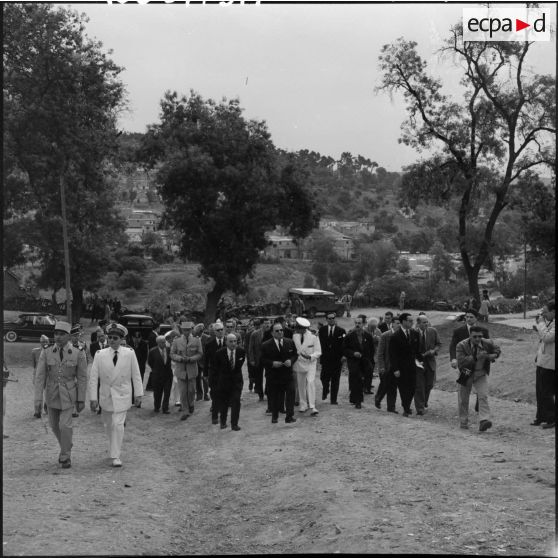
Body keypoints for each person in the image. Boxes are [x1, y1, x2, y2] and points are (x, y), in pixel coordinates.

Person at [34, 321, 87, 469]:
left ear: (69, 336)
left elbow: (82, 378)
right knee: (54, 425)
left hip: (69, 394)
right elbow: (40, 377)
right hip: (51, 394)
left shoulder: (78, 352)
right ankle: (67, 444)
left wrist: (81, 399)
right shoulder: (47, 351)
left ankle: (65, 456)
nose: (57, 337)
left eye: (62, 334)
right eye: (56, 334)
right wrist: (38, 399)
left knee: (65, 425)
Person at [89, 323, 143, 467]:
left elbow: (136, 375)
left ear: (121, 339)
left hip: (122, 394)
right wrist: (93, 398)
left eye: (115, 338)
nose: (112, 340)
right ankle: (113, 446)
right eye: (110, 337)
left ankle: (116, 455)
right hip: (106, 395)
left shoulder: (129, 353)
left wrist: (138, 394)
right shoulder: (100, 355)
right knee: (108, 425)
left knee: (118, 424)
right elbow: (93, 378)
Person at [456, 325, 501, 431]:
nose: (477, 339)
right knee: (463, 399)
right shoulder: (461, 345)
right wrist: (476, 357)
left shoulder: (487, 343)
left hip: (481, 374)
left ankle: (484, 420)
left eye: (480, 336)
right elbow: (461, 362)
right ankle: (463, 422)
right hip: (466, 373)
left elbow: (497, 349)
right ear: (470, 336)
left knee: (483, 396)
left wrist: (493, 355)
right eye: (475, 336)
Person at [449, 309, 489, 414]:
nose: (468, 319)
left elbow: (488, 346)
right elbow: (453, 345)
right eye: (467, 317)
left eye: (471, 317)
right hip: (465, 367)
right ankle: (463, 417)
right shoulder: (458, 331)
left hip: (480, 367)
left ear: (476, 318)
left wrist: (489, 356)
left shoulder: (483, 331)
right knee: (463, 393)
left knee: (482, 392)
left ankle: (480, 408)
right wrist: (453, 358)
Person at [261, 322, 298, 424]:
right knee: (275, 396)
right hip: (274, 376)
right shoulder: (265, 345)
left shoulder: (289, 342)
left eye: (281, 330)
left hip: (287, 374)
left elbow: (295, 355)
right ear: (272, 333)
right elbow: (262, 360)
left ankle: (289, 416)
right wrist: (272, 363)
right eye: (277, 331)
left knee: (291, 393)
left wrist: (291, 361)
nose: (280, 332)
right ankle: (275, 416)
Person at [388, 312, 421, 416]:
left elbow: (417, 350)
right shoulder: (395, 336)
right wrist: (395, 369)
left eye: (412, 321)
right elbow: (392, 354)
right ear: (403, 322)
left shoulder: (415, 333)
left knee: (413, 387)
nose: (412, 323)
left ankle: (406, 404)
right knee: (403, 388)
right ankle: (406, 408)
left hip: (412, 366)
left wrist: (421, 360)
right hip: (401, 367)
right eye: (410, 321)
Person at [170, 322, 203, 421]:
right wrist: (180, 358)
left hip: (192, 370)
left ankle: (191, 403)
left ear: (191, 330)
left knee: (191, 391)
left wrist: (191, 359)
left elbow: (200, 353)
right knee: (183, 392)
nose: (186, 332)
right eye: (184, 330)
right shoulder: (177, 341)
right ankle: (185, 411)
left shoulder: (197, 340)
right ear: (182, 330)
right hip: (181, 370)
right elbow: (172, 354)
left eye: (188, 330)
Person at [213, 334, 245, 431]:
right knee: (224, 403)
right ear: (226, 342)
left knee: (236, 402)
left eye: (235, 341)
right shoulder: (219, 353)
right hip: (223, 382)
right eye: (231, 341)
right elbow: (215, 369)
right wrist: (215, 383)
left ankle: (234, 424)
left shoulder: (241, 351)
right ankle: (223, 421)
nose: (233, 343)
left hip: (236, 382)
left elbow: (239, 366)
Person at [343, 315, 374, 409]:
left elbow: (371, 350)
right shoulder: (349, 336)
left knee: (360, 380)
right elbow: (344, 349)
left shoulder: (368, 336)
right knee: (357, 379)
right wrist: (353, 353)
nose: (357, 325)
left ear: (363, 324)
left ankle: (353, 398)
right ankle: (358, 401)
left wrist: (370, 361)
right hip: (353, 362)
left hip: (364, 362)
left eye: (359, 323)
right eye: (356, 323)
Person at [532, 301, 555, 429]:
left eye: (545, 312)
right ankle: (541, 416)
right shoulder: (550, 322)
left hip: (550, 364)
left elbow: (547, 338)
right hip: (542, 361)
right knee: (540, 391)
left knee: (546, 392)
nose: (543, 315)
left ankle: (551, 418)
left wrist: (541, 324)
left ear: (553, 311)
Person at [293, 317, 322, 416]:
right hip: (299, 363)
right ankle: (303, 404)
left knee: (310, 382)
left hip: (310, 363)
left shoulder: (313, 336)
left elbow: (318, 352)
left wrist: (310, 356)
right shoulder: (294, 336)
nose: (297, 330)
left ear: (304, 328)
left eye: (298, 329)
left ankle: (312, 406)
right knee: (301, 384)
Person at [414, 314, 442, 415]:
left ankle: (424, 401)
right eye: (424, 322)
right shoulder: (413, 333)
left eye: (427, 322)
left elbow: (439, 344)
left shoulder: (433, 331)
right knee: (419, 386)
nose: (426, 324)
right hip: (417, 363)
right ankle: (420, 408)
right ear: (418, 324)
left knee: (429, 385)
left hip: (430, 361)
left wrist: (433, 351)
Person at [318, 312, 346, 405]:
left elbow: (344, 344)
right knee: (323, 377)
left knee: (335, 379)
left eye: (333, 318)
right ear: (326, 319)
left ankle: (333, 399)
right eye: (329, 318)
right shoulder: (322, 330)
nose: (331, 320)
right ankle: (326, 389)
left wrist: (344, 355)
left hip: (337, 359)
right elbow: (319, 343)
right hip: (325, 358)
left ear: (335, 319)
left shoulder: (341, 331)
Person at [375, 316, 401, 413]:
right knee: (385, 385)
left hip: (396, 366)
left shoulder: (402, 335)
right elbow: (380, 353)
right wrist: (381, 366)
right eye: (397, 323)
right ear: (392, 324)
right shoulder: (385, 335)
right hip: (386, 366)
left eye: (400, 323)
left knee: (393, 387)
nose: (399, 325)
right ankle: (378, 398)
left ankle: (391, 407)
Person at [205, 322, 226, 423]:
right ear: (214, 332)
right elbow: (206, 360)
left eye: (222, 329)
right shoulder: (209, 344)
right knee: (214, 393)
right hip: (214, 373)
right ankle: (215, 415)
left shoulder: (229, 342)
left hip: (226, 373)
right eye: (218, 330)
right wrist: (205, 374)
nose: (220, 331)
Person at [147, 335, 173, 414]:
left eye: (165, 342)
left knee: (167, 392)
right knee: (157, 393)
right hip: (157, 375)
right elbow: (150, 362)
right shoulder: (152, 351)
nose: (164, 344)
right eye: (162, 342)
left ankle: (165, 408)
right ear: (158, 343)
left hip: (168, 375)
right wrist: (156, 369)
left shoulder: (169, 350)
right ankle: (157, 407)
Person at [248, 317, 272, 402]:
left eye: (268, 323)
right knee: (258, 377)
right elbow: (251, 347)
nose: (267, 325)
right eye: (265, 323)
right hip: (258, 358)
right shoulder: (255, 334)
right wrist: (251, 359)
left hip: (268, 359)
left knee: (269, 376)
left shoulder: (272, 333)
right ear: (261, 324)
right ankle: (260, 394)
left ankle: (268, 392)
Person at [32, 335, 51, 418]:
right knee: (38, 392)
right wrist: (35, 374)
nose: (44, 343)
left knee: (49, 392)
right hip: (38, 374)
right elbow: (34, 364)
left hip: (49, 374)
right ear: (40, 342)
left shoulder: (52, 351)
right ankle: (37, 410)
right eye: (43, 342)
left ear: (49, 342)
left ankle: (47, 408)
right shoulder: (35, 351)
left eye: (46, 341)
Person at [128, 330, 149, 405]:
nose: (136, 339)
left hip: (140, 366)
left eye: (138, 338)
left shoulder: (144, 344)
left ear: (141, 338)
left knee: (139, 383)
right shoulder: (129, 343)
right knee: (130, 383)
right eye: (135, 338)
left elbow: (144, 357)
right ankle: (131, 399)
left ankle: (138, 400)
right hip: (130, 367)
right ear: (132, 338)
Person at [193, 323, 211, 401]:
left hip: (205, 361)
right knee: (197, 379)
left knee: (205, 378)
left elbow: (209, 350)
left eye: (198, 332)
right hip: (196, 361)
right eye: (196, 332)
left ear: (201, 331)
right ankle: (199, 395)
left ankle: (206, 394)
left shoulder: (207, 338)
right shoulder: (193, 338)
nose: (197, 333)